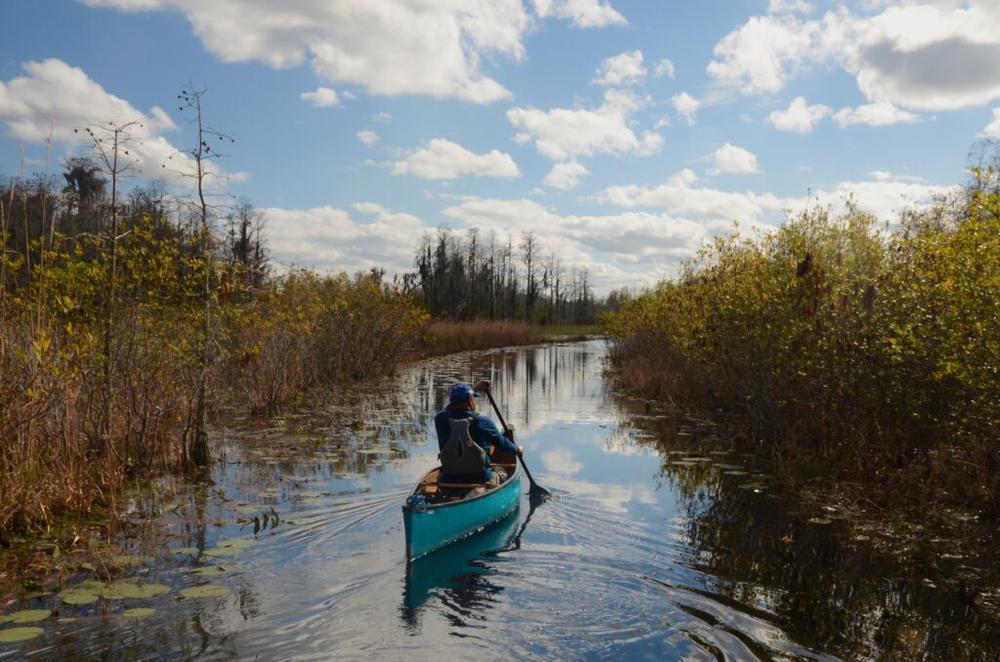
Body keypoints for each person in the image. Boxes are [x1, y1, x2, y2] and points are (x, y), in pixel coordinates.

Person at [435, 380, 523, 487]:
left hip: (448, 480)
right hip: (481, 480)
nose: (474, 401)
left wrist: (474, 389)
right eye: (473, 398)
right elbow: (503, 445)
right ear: (469, 401)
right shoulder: (483, 422)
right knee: (501, 471)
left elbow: (452, 407)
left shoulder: (440, 419)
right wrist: (517, 450)